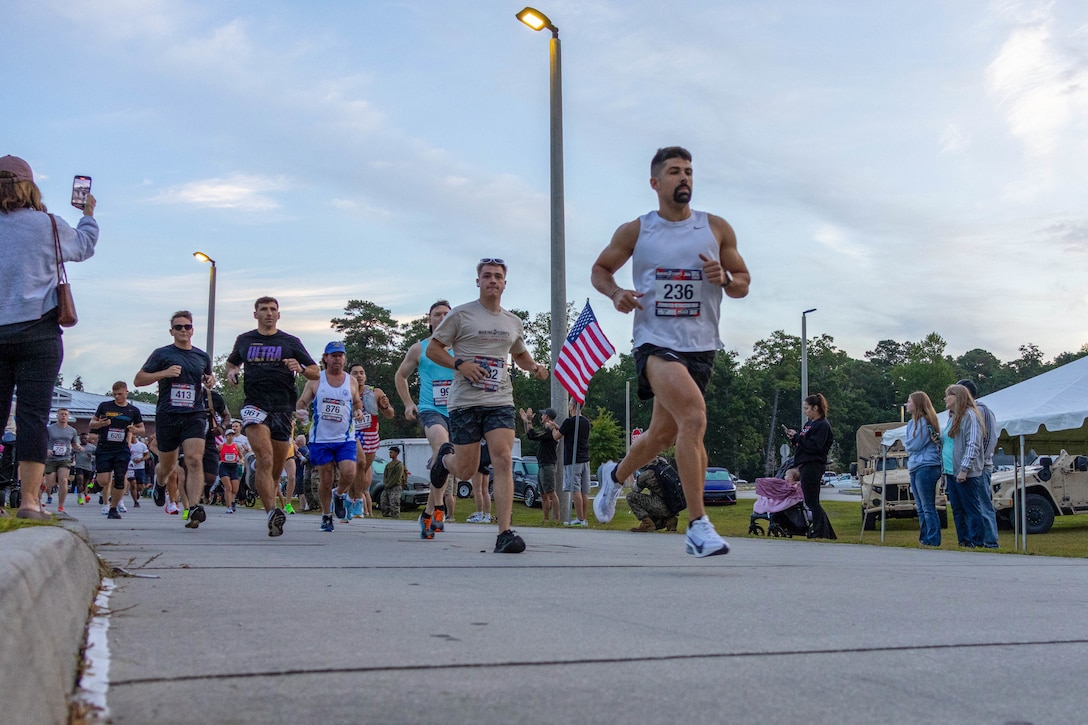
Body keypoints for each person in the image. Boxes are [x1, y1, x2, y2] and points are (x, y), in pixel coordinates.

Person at [590, 146, 750, 557]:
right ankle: (698, 527)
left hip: (701, 347)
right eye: (676, 172)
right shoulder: (637, 231)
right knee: (694, 418)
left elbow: (743, 283)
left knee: (663, 433)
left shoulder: (715, 229)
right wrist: (616, 293)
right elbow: (600, 269)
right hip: (655, 343)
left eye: (690, 172)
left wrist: (726, 277)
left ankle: (615, 476)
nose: (685, 179)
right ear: (655, 183)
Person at [426, 259, 550, 552]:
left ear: (505, 283)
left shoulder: (512, 321)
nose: (493, 280)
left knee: (503, 459)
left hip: (499, 400)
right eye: (487, 276)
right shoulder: (461, 315)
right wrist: (460, 364)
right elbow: (433, 349)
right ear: (478, 281)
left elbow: (519, 354)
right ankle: (444, 459)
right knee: (466, 470)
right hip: (465, 402)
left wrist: (534, 367)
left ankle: (504, 532)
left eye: (498, 276)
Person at [0, 155, 98, 520]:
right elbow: (85, 246)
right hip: (37, 333)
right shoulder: (49, 226)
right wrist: (87, 212)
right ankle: (29, 501)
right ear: (29, 186)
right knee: (32, 416)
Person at [225, 296, 319, 537]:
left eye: (273, 309)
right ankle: (271, 513)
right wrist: (233, 372)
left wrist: (299, 367)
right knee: (265, 459)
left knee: (276, 467)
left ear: (279, 315)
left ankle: (260, 481)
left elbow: (315, 371)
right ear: (255, 314)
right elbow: (231, 363)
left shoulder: (290, 341)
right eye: (264, 309)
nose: (269, 313)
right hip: (255, 405)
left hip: (283, 407)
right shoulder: (245, 340)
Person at [134, 310, 214, 528]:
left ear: (192, 330)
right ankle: (159, 484)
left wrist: (210, 380)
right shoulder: (162, 354)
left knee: (194, 459)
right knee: (167, 466)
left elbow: (208, 378)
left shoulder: (201, 356)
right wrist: (164, 374)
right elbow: (138, 380)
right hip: (168, 415)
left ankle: (195, 507)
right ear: (171, 331)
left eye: (187, 326)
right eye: (178, 327)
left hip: (194, 414)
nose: (183, 330)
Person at [394, 300, 455, 525]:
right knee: (442, 447)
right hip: (431, 410)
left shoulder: (464, 347)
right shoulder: (419, 348)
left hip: (458, 411)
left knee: (450, 462)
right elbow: (400, 376)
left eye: (446, 315)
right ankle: (437, 509)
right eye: (437, 314)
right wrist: (409, 403)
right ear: (429, 320)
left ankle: (430, 510)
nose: (441, 318)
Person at [296, 342, 363, 533]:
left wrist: (358, 411)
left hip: (345, 437)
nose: (338, 359)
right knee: (325, 478)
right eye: (334, 355)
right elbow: (302, 401)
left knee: (350, 471)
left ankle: (340, 494)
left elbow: (357, 401)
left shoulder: (351, 380)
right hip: (321, 438)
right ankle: (326, 516)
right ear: (326, 358)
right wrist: (300, 411)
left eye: (341, 355)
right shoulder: (317, 379)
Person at [941, 384, 989, 548]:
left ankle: (977, 540)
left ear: (958, 397)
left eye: (948, 395)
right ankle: (963, 540)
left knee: (970, 508)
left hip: (964, 473)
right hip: (950, 470)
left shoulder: (970, 416)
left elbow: (973, 443)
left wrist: (964, 469)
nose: (945, 399)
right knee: (957, 508)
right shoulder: (952, 417)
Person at [90, 381, 145, 519]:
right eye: (114, 394)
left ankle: (113, 509)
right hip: (104, 447)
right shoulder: (105, 406)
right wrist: (100, 424)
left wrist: (135, 430)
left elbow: (142, 429)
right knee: (104, 480)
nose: (117, 397)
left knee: (120, 478)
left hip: (121, 448)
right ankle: (97, 484)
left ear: (127, 392)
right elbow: (92, 423)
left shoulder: (133, 411)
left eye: (120, 394)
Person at [785, 393, 837, 540]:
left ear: (816, 408)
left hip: (814, 464)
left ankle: (821, 531)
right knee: (810, 500)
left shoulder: (822, 425)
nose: (805, 411)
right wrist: (794, 439)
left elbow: (815, 446)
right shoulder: (809, 424)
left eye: (807, 408)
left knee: (812, 501)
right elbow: (803, 442)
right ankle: (826, 532)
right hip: (805, 463)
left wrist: (798, 438)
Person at [347, 363, 394, 520]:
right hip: (352, 434)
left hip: (370, 435)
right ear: (349, 376)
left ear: (365, 376)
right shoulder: (345, 392)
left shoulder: (375, 392)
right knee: (359, 464)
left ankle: (349, 498)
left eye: (361, 372)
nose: (359, 376)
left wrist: (386, 406)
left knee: (362, 474)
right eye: (355, 373)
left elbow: (390, 415)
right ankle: (358, 501)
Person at [958, 379, 1000, 548]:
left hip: (980, 467)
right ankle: (977, 539)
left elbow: (987, 439)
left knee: (983, 503)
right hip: (969, 467)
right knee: (973, 506)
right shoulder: (964, 413)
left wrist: (979, 462)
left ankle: (990, 541)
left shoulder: (981, 410)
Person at [904, 391, 943, 547]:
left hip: (926, 465)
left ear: (918, 404)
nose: (907, 404)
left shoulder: (924, 421)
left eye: (910, 401)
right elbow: (910, 445)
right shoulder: (910, 423)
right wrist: (910, 446)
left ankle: (933, 538)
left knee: (927, 506)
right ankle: (924, 537)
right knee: (920, 506)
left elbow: (914, 444)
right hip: (915, 465)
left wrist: (909, 445)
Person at [554, 400, 591, 527]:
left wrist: (553, 428)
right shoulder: (586, 422)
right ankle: (583, 518)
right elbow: (568, 432)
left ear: (572, 406)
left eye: (570, 404)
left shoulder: (569, 422)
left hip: (573, 460)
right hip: (584, 459)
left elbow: (556, 436)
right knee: (584, 491)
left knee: (575, 489)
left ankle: (580, 520)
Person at [520, 407, 560, 523]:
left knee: (551, 492)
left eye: (543, 415)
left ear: (547, 417)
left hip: (548, 465)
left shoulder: (550, 430)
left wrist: (528, 421)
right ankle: (546, 519)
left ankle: (556, 519)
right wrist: (526, 421)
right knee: (543, 494)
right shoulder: (546, 430)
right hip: (542, 464)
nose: (541, 416)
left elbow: (533, 435)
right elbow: (530, 436)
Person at [627, 458, 679, 532]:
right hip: (674, 507)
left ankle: (646, 523)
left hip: (660, 507)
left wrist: (629, 472)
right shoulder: (668, 470)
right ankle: (670, 520)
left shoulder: (648, 474)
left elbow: (635, 489)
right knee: (656, 524)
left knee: (630, 496)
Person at [43, 408, 81, 513]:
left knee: (63, 481)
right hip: (51, 458)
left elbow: (74, 444)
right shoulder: (50, 429)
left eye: (65, 414)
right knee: (50, 483)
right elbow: (42, 441)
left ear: (68, 417)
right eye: (61, 414)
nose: (63, 416)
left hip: (65, 458)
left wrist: (78, 447)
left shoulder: (72, 430)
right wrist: (46, 450)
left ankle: (61, 505)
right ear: (57, 416)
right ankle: (40, 496)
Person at [218, 429, 242, 512]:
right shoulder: (221, 446)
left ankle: (232, 502)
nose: (231, 437)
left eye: (232, 435)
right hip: (224, 467)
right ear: (226, 436)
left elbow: (241, 457)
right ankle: (229, 507)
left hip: (234, 467)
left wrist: (241, 461)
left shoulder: (236, 446)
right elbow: (216, 455)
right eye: (229, 435)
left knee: (235, 489)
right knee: (228, 488)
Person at [380, 445, 406, 518]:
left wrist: (389, 484)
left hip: (396, 486)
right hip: (387, 486)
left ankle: (395, 515)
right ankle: (386, 514)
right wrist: (386, 483)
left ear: (396, 453)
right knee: (383, 501)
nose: (390, 454)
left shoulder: (399, 465)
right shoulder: (388, 465)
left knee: (394, 501)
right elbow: (385, 475)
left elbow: (397, 477)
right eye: (389, 452)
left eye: (392, 452)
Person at [72, 432, 95, 505]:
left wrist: (92, 457)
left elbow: (97, 456)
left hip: (88, 468)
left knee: (85, 484)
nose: (83, 440)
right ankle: (80, 498)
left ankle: (85, 495)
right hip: (79, 466)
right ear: (80, 439)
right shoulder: (77, 447)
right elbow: (70, 454)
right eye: (82, 439)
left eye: (85, 438)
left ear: (87, 439)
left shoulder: (92, 447)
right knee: (80, 481)